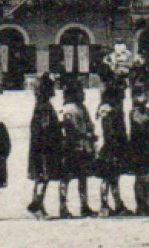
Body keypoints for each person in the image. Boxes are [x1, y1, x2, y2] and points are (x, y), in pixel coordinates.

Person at [56, 76, 98, 218]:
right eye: (81, 91)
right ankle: (63, 207)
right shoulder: (69, 110)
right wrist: (86, 133)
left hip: (83, 147)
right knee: (67, 177)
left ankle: (84, 205)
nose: (84, 94)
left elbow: (89, 124)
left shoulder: (81, 108)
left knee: (83, 177)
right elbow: (70, 129)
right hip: (71, 147)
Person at [26, 73, 62, 218]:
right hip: (44, 149)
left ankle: (38, 205)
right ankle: (37, 205)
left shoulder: (40, 106)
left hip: (38, 148)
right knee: (43, 178)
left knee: (40, 178)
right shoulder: (45, 108)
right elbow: (46, 129)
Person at [95, 84, 132, 216]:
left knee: (112, 178)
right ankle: (106, 205)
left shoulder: (106, 110)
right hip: (111, 148)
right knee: (109, 177)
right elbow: (111, 132)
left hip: (110, 147)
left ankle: (116, 204)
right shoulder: (111, 112)